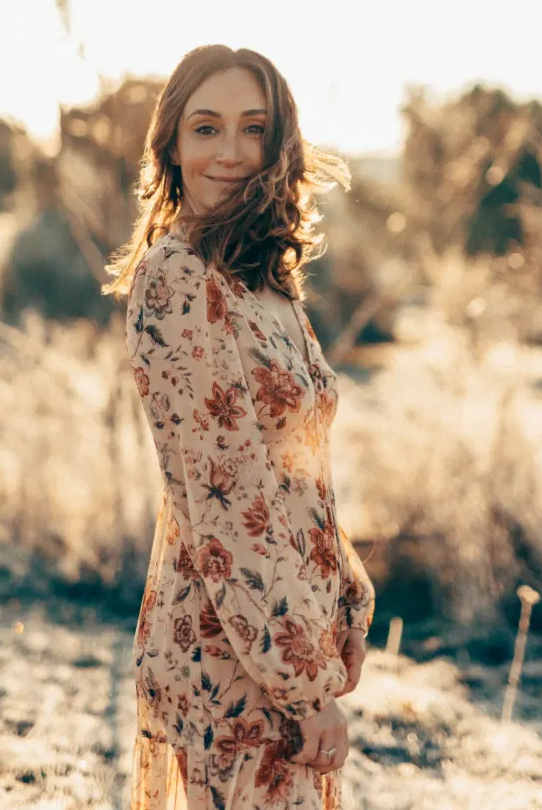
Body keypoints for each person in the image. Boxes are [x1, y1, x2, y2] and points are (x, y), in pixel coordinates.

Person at [103, 44, 375, 809]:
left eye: (252, 128)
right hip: (230, 653)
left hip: (286, 631)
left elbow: (300, 475)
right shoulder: (179, 278)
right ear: (172, 146)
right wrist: (301, 686)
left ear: (278, 142)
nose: (229, 152)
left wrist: (346, 603)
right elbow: (230, 502)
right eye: (206, 128)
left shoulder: (262, 279)